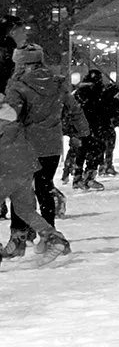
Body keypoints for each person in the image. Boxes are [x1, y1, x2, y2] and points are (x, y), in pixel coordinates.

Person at [4, 43, 89, 256]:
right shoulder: (57, 83)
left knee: (19, 191)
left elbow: (11, 117)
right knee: (44, 188)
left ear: (21, 63)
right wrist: (83, 131)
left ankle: (20, 238)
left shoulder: (17, 86)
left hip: (24, 145)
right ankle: (48, 235)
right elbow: (74, 108)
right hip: (51, 144)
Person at [1, 95, 71, 263]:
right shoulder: (12, 119)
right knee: (24, 210)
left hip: (5, 171)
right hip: (25, 169)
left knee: (23, 209)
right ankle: (53, 237)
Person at [69, 68, 118, 190]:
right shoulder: (97, 92)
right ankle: (89, 177)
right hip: (96, 125)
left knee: (81, 151)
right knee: (95, 151)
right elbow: (102, 106)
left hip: (80, 126)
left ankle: (77, 177)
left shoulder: (78, 92)